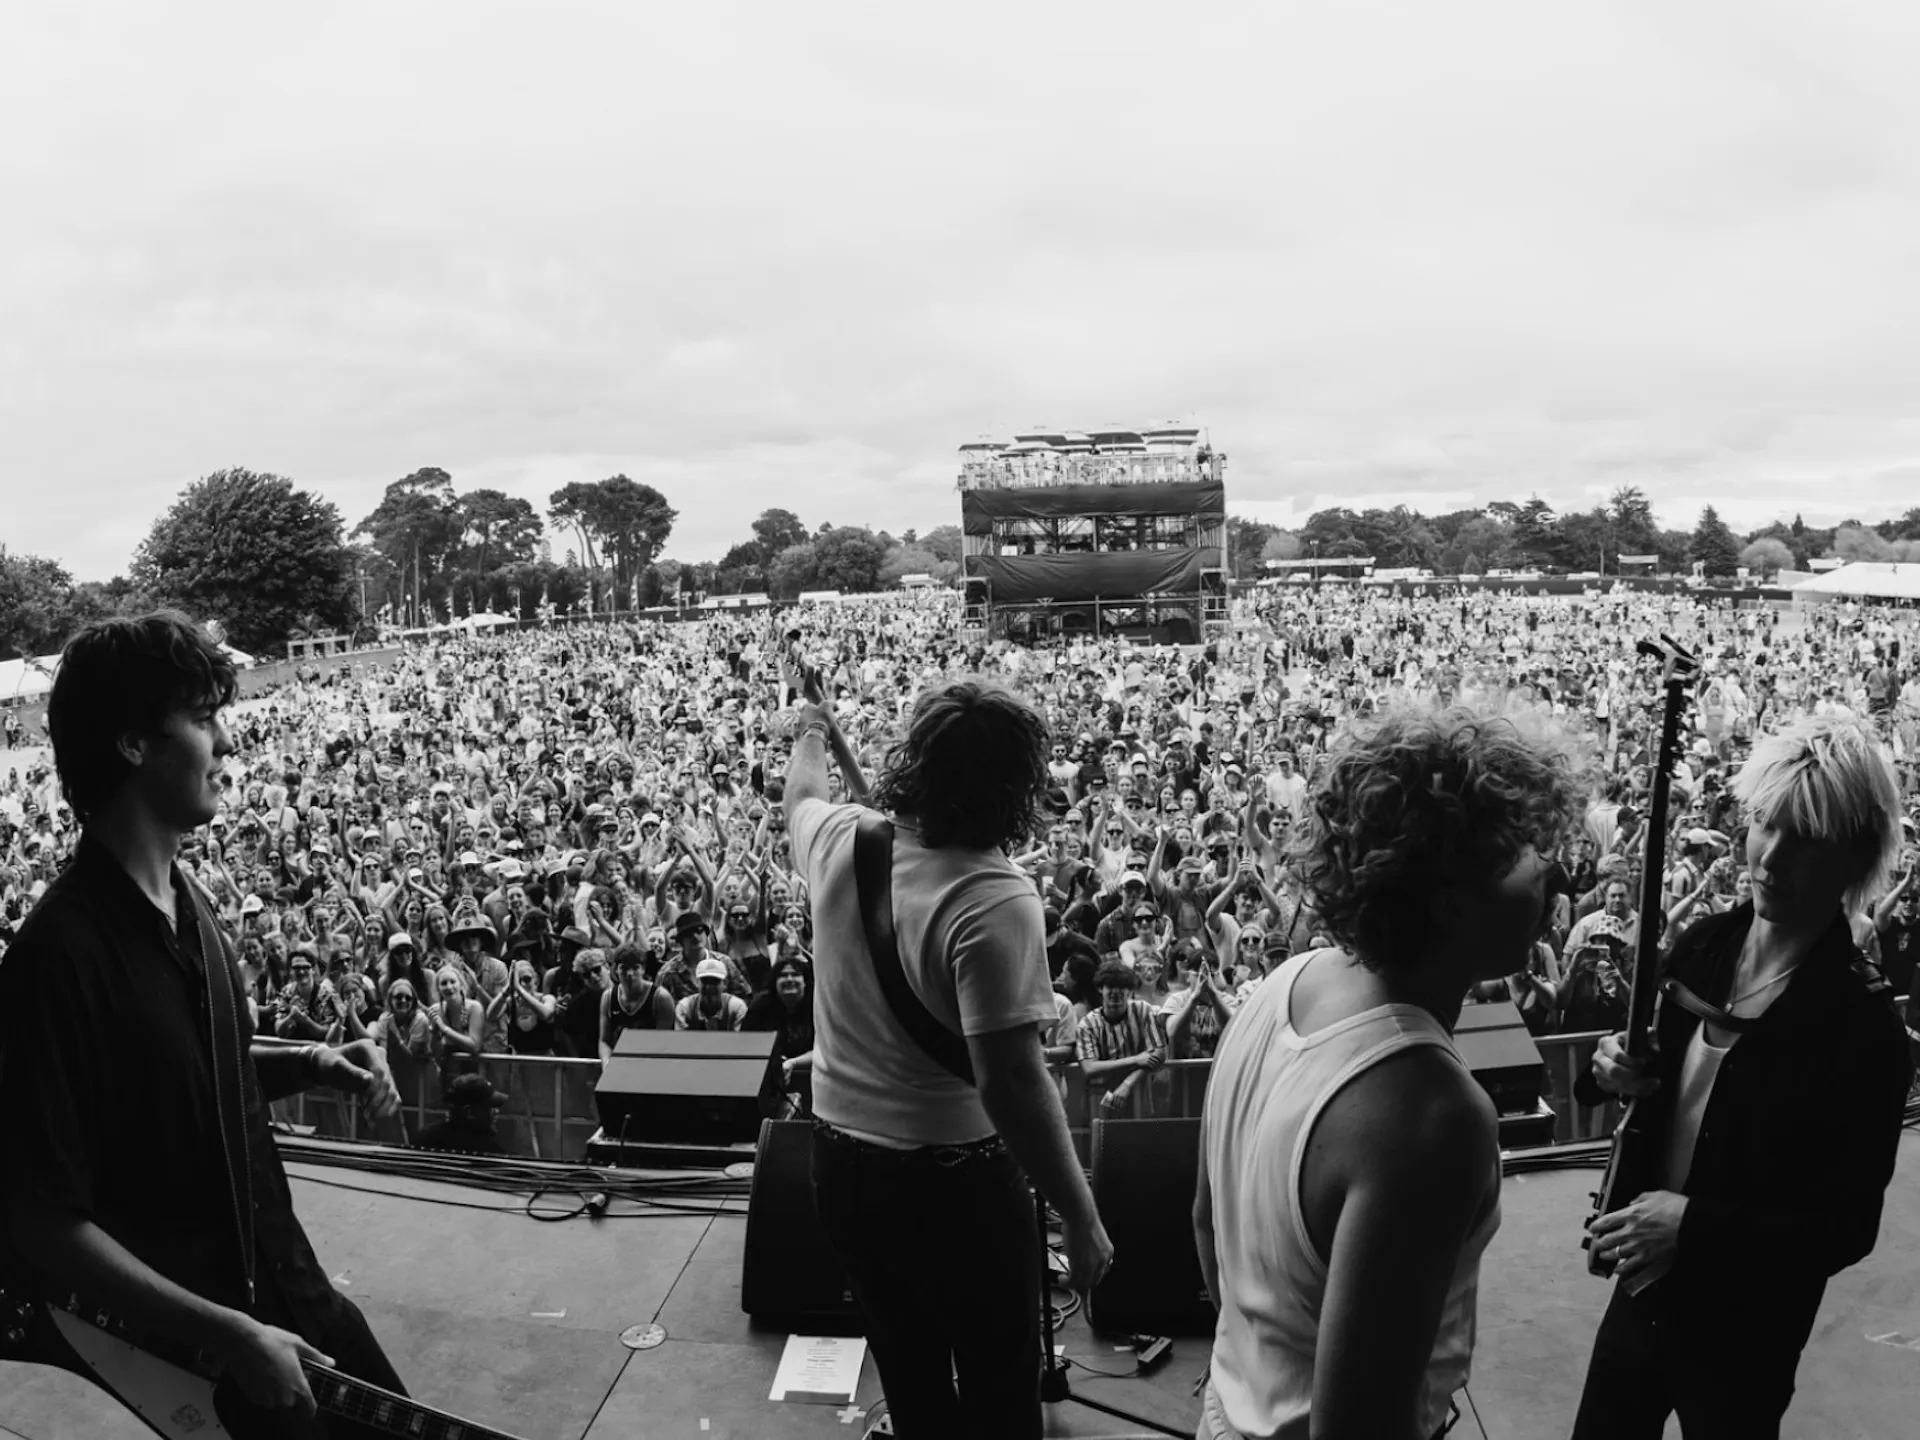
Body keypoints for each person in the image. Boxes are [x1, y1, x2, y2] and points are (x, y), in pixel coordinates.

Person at [0, 611, 406, 1430]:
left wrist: (314, 1062)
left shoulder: (192, 901)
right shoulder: (58, 957)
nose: (228, 744)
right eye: (203, 718)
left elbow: (186, 1069)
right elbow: (40, 1218)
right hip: (209, 1354)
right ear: (132, 744)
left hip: (294, 1294)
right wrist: (224, 1332)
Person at [1194, 705, 1580, 1440]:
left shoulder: (1282, 985)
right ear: (1450, 895)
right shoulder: (1432, 1114)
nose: (1551, 871)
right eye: (1522, 848)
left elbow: (1207, 1230)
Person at [1571, 714, 1913, 1438]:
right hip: (1642, 1289)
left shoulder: (1862, 1025)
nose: (1772, 857)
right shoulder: (1700, 948)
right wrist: (1609, 1071)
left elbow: (1846, 1228)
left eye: (1807, 837)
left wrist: (1692, 1226)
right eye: (1764, 824)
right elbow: (1647, 1086)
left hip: (1746, 1329)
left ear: (1857, 857)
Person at [788, 677, 1112, 1440]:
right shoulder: (995, 898)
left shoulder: (840, 838)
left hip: (843, 1170)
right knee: (1001, 1379)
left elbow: (802, 795)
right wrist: (1082, 1215)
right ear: (1015, 783)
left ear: (915, 762)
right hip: (957, 1188)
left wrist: (812, 731)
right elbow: (1010, 1081)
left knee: (909, 1371)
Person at [410, 1072, 510, 1156]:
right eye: (490, 1107)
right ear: (470, 1112)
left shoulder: (424, 1137)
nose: (496, 1112)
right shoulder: (490, 1151)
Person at [675, 955, 748, 1031]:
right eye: (705, 982)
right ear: (697, 983)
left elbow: (742, 1041)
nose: (709, 987)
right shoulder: (685, 1008)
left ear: (725, 984)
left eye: (714, 982)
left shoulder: (736, 1008)